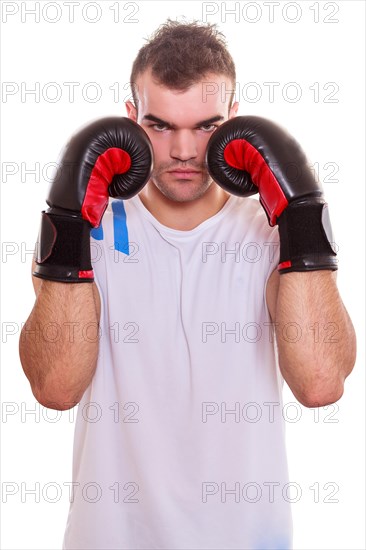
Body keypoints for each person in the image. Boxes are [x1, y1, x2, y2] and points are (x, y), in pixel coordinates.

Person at [19, 19, 356, 550]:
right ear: (128, 121)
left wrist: (302, 219)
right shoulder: (87, 229)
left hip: (249, 539)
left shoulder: (268, 232)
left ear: (235, 122)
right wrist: (70, 221)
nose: (181, 150)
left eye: (205, 126)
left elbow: (320, 385)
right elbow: (55, 389)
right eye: (159, 125)